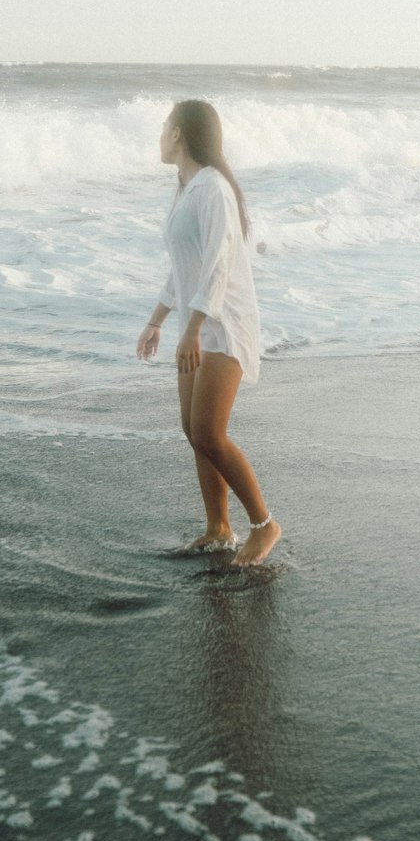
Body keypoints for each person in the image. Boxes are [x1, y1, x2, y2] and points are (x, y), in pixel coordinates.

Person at [136, 100, 281, 567]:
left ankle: (264, 525)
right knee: (192, 430)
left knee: (208, 431)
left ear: (178, 133)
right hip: (196, 320)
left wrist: (194, 328)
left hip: (224, 324)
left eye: (164, 127)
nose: (159, 135)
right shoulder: (184, 188)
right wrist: (158, 319)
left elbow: (218, 264)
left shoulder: (212, 189)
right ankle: (219, 527)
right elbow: (184, 266)